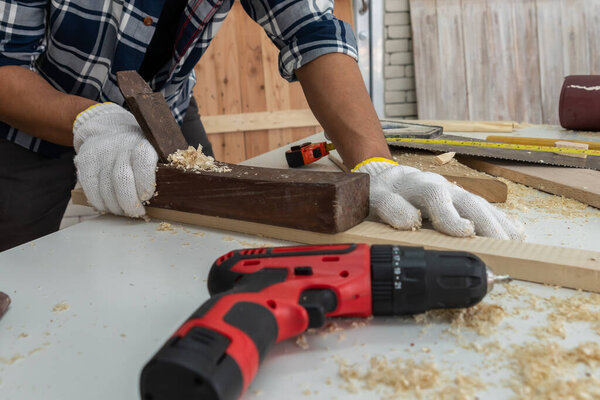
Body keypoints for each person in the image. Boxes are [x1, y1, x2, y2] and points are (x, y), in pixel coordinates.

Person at [0, 0, 522, 252]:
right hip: (30, 114)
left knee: (192, 244)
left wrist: (374, 162)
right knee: (18, 271)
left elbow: (312, 32)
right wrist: (90, 118)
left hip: (166, 111)